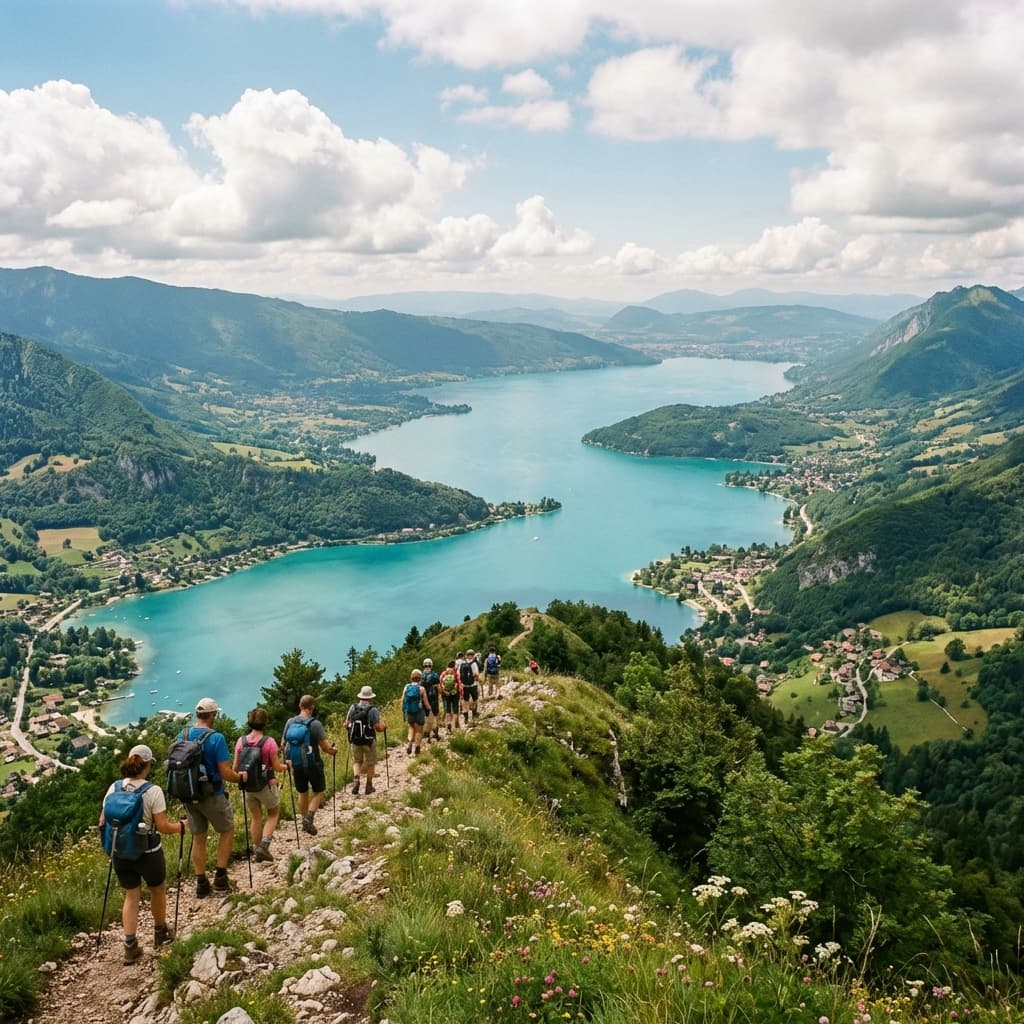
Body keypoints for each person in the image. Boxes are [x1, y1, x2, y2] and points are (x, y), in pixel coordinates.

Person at [99, 744, 186, 964]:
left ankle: (130, 945)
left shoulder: (114, 787)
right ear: (146, 766)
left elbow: (103, 821)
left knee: (131, 895)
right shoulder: (153, 791)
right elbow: (163, 826)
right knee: (157, 890)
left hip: (120, 853)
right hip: (148, 851)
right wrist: (182, 826)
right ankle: (160, 933)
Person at [182, 697, 247, 897]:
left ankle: (201, 883)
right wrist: (239, 779)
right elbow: (225, 771)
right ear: (212, 716)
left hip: (189, 794)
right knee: (227, 831)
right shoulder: (216, 738)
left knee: (198, 838)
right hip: (212, 794)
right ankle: (220, 878)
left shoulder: (182, 735)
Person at [233, 706, 287, 862]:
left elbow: (235, 767)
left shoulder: (240, 742)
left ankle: (257, 850)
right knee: (273, 812)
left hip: (247, 786)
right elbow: (277, 767)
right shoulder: (269, 742)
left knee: (255, 817)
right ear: (265, 723)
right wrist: (286, 766)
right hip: (265, 784)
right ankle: (264, 845)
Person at [282, 694, 338, 836]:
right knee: (319, 791)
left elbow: (283, 743)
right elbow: (325, 747)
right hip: (313, 763)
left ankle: (303, 821)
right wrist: (333, 751)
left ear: (300, 706)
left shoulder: (290, 722)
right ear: (312, 707)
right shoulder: (315, 724)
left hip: (296, 764)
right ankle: (309, 817)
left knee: (302, 792)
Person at [344, 685, 386, 795]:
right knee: (370, 763)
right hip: (369, 741)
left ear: (361, 696)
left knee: (357, 761)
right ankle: (369, 786)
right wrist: (384, 727)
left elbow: (346, 723)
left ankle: (357, 779)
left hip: (355, 741)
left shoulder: (353, 708)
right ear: (370, 697)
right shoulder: (373, 710)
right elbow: (378, 727)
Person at [402, 668, 429, 755]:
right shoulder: (421, 689)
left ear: (411, 677)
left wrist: (404, 709)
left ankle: (410, 742)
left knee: (411, 727)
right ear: (420, 678)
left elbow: (403, 699)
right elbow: (425, 702)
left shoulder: (406, 687)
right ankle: (417, 746)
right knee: (419, 730)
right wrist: (429, 708)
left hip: (409, 711)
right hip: (419, 711)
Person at [421, 657, 441, 742]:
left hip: (423, 699)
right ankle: (436, 734)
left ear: (423, 666)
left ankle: (427, 735)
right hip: (434, 698)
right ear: (431, 665)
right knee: (435, 716)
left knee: (427, 717)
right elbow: (439, 686)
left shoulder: (421, 676)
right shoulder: (435, 675)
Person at [459, 648, 480, 722]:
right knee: (475, 699)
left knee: (465, 701)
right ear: (473, 655)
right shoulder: (474, 664)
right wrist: (478, 681)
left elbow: (459, 675)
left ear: (466, 655)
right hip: (473, 685)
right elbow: (476, 675)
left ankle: (466, 717)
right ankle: (474, 714)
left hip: (464, 686)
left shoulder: (462, 664)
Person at [440, 660, 460, 732]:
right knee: (455, 709)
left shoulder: (444, 673)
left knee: (448, 710)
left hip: (446, 694)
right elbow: (459, 683)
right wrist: (460, 692)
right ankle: (456, 723)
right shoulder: (455, 673)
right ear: (454, 666)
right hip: (454, 693)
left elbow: (440, 684)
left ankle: (448, 724)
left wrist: (444, 691)